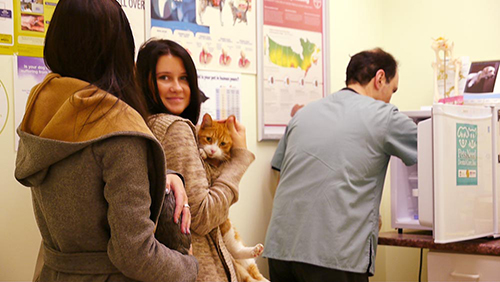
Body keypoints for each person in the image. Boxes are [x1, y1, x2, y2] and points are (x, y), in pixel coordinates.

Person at [14, 1, 198, 281]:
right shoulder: (118, 128)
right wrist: (191, 267)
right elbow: (135, 253)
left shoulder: (44, 105)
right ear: (119, 47)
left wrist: (161, 174)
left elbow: (84, 178)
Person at [263, 48, 417, 282]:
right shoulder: (383, 115)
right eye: (392, 90)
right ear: (380, 78)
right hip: (333, 255)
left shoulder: (304, 114)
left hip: (281, 250)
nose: (390, 98)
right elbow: (436, 151)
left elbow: (279, 174)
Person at [136, 39, 255, 282]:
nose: (177, 88)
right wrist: (239, 159)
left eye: (184, 78)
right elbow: (202, 217)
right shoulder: (174, 128)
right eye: (164, 78)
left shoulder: (145, 124)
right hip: (199, 270)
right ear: (146, 82)